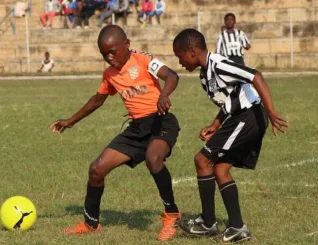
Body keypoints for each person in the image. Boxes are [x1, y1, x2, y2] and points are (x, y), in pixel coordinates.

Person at [50, 25, 182, 241]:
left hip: (161, 121)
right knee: (96, 169)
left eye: (113, 51)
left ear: (126, 45)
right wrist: (70, 121)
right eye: (104, 54)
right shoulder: (109, 74)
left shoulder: (144, 60)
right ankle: (90, 223)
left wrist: (163, 95)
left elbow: (172, 76)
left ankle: (172, 214)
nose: (109, 57)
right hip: (136, 129)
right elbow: (97, 101)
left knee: (153, 158)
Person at [173, 29, 288, 242]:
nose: (179, 62)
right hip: (241, 117)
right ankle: (236, 227)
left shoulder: (219, 64)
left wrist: (271, 111)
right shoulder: (204, 75)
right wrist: (216, 123)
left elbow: (256, 75)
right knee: (220, 168)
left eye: (179, 57)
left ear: (191, 52)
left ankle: (208, 223)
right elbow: (230, 99)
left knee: (202, 160)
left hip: (249, 117)